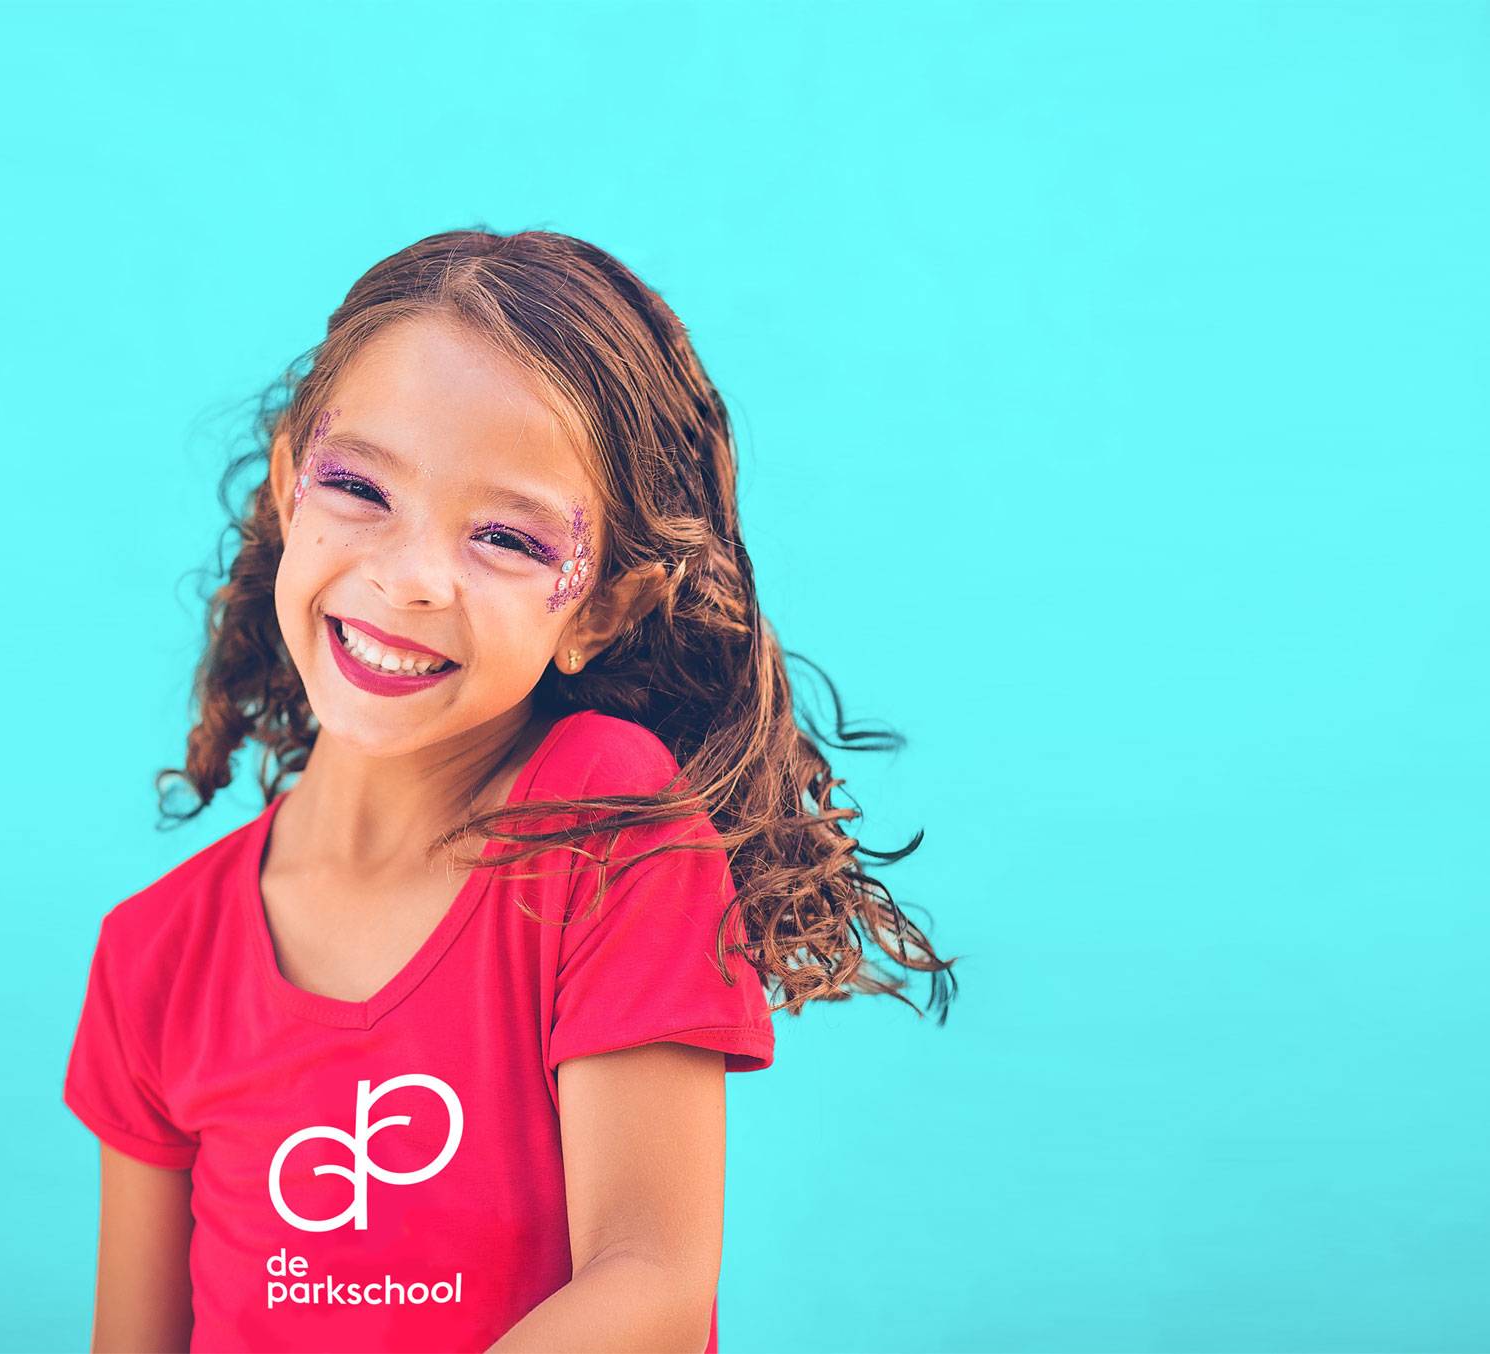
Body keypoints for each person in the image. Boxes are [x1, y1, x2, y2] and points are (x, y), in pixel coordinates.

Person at [64, 228, 956, 1353]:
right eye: (360, 486)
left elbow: (653, 1288)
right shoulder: (154, 955)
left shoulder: (604, 824)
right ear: (294, 485)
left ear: (599, 610)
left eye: (504, 537)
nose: (408, 577)